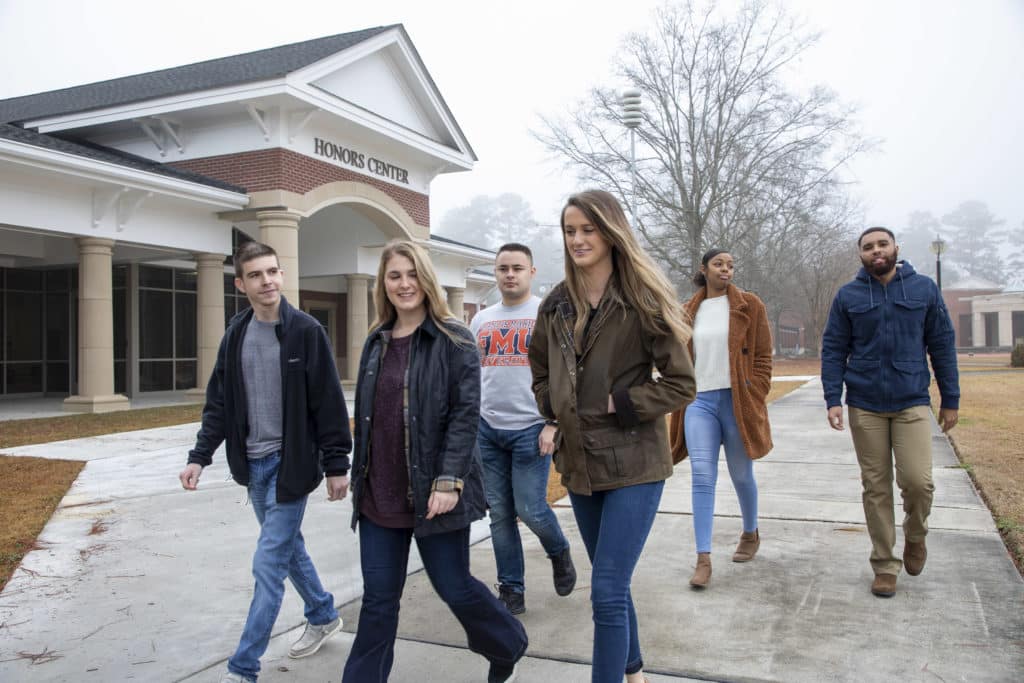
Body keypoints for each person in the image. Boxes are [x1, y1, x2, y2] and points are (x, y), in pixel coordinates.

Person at [529, 190, 696, 683]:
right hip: (579, 465)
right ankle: (634, 670)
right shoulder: (557, 303)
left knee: (604, 589)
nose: (577, 239)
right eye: (569, 230)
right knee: (613, 585)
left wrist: (617, 403)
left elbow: (682, 384)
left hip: (635, 464)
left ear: (610, 231)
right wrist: (553, 405)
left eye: (588, 229)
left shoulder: (640, 300)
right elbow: (538, 366)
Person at [343, 240, 528, 683]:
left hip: (434, 494)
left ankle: (507, 646)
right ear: (382, 285)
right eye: (394, 276)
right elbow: (369, 420)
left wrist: (448, 482)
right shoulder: (376, 341)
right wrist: (354, 479)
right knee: (378, 601)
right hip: (378, 497)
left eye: (411, 274)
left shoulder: (454, 338)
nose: (403, 284)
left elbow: (465, 416)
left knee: (455, 588)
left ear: (425, 279)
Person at [179, 241, 351, 683]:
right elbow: (219, 403)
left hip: (290, 466)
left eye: (272, 271)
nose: (267, 280)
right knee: (288, 549)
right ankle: (322, 613)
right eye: (256, 275)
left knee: (268, 564)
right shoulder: (235, 334)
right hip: (252, 467)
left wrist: (336, 465)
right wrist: (200, 456)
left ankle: (243, 668)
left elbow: (328, 403)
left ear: (281, 275)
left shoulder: (306, 331)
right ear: (241, 284)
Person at [821, 226, 959, 598]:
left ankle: (916, 535)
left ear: (896, 247)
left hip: (911, 399)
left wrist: (951, 398)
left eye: (882, 244)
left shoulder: (924, 289)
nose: (876, 251)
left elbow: (942, 344)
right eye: (868, 247)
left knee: (918, 482)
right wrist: (833, 398)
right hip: (864, 404)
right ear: (861, 255)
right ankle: (884, 564)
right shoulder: (848, 295)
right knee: (875, 487)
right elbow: (833, 348)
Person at [470, 243, 577, 616]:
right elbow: (473, 374)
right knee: (499, 513)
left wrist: (554, 423)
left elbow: (566, 374)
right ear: (495, 273)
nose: (509, 274)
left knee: (530, 508)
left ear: (532, 272)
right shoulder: (481, 320)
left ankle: (558, 550)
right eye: (503, 268)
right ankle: (511, 589)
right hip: (488, 429)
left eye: (517, 268)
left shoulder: (546, 314)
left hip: (532, 428)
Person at [668, 249, 773, 589]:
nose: (726, 269)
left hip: (737, 401)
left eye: (730, 264)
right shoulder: (688, 310)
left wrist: (755, 391)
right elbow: (678, 358)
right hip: (699, 402)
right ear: (704, 269)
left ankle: (750, 531)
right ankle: (703, 558)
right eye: (719, 264)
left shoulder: (750, 305)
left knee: (741, 474)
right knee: (702, 474)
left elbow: (762, 356)